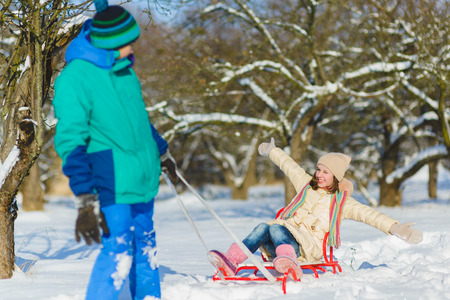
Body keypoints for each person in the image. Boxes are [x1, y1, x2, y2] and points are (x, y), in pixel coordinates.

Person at [52, 1, 176, 299]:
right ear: (108, 44)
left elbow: (137, 121)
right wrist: (85, 197)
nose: (132, 50)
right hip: (112, 179)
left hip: (142, 178)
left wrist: (161, 151)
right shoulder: (75, 78)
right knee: (117, 251)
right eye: (127, 44)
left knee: (146, 246)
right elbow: (71, 140)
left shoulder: (125, 71)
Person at [209, 138, 422, 279]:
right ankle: (231, 261)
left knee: (275, 228)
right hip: (284, 241)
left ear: (336, 177)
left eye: (325, 172)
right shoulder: (305, 185)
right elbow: (289, 165)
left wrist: (397, 229)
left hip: (307, 248)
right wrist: (272, 151)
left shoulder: (342, 202)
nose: (319, 175)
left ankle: (290, 262)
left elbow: (370, 215)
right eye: (318, 169)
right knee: (262, 227)